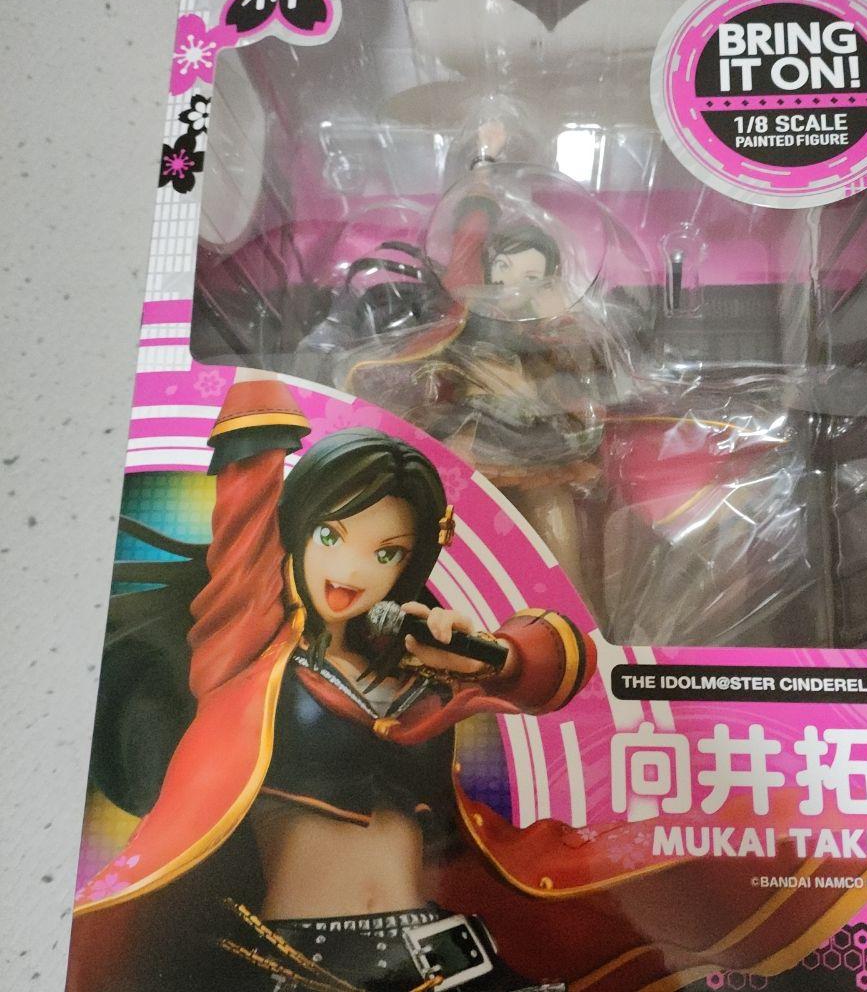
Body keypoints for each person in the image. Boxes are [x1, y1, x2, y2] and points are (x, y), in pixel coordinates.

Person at [71, 370, 593, 992]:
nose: (352, 570)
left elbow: (565, 670)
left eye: (386, 552)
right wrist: (262, 370)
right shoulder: (246, 648)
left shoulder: (415, 661)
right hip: (306, 959)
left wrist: (485, 662)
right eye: (330, 535)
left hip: (441, 947)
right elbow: (247, 497)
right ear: (295, 532)